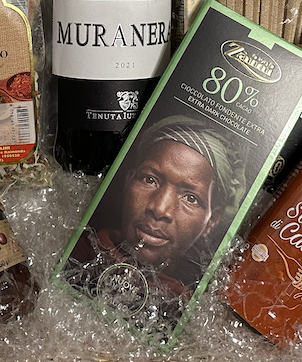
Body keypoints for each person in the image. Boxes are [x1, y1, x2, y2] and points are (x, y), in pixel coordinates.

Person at [60, 115, 249, 331]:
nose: (160, 209)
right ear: (128, 181)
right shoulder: (76, 255)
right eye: (149, 179)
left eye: (190, 198)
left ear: (211, 222)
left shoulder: (186, 314)